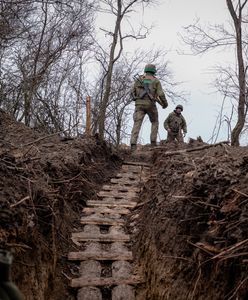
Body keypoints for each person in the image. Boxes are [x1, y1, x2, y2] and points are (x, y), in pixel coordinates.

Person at [130, 64, 168, 151]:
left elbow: (132, 92)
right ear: (154, 71)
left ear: (145, 70)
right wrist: (165, 104)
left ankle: (133, 145)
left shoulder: (139, 79)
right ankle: (153, 143)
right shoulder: (155, 81)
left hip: (139, 105)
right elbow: (161, 94)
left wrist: (136, 98)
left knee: (137, 124)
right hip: (150, 104)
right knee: (154, 122)